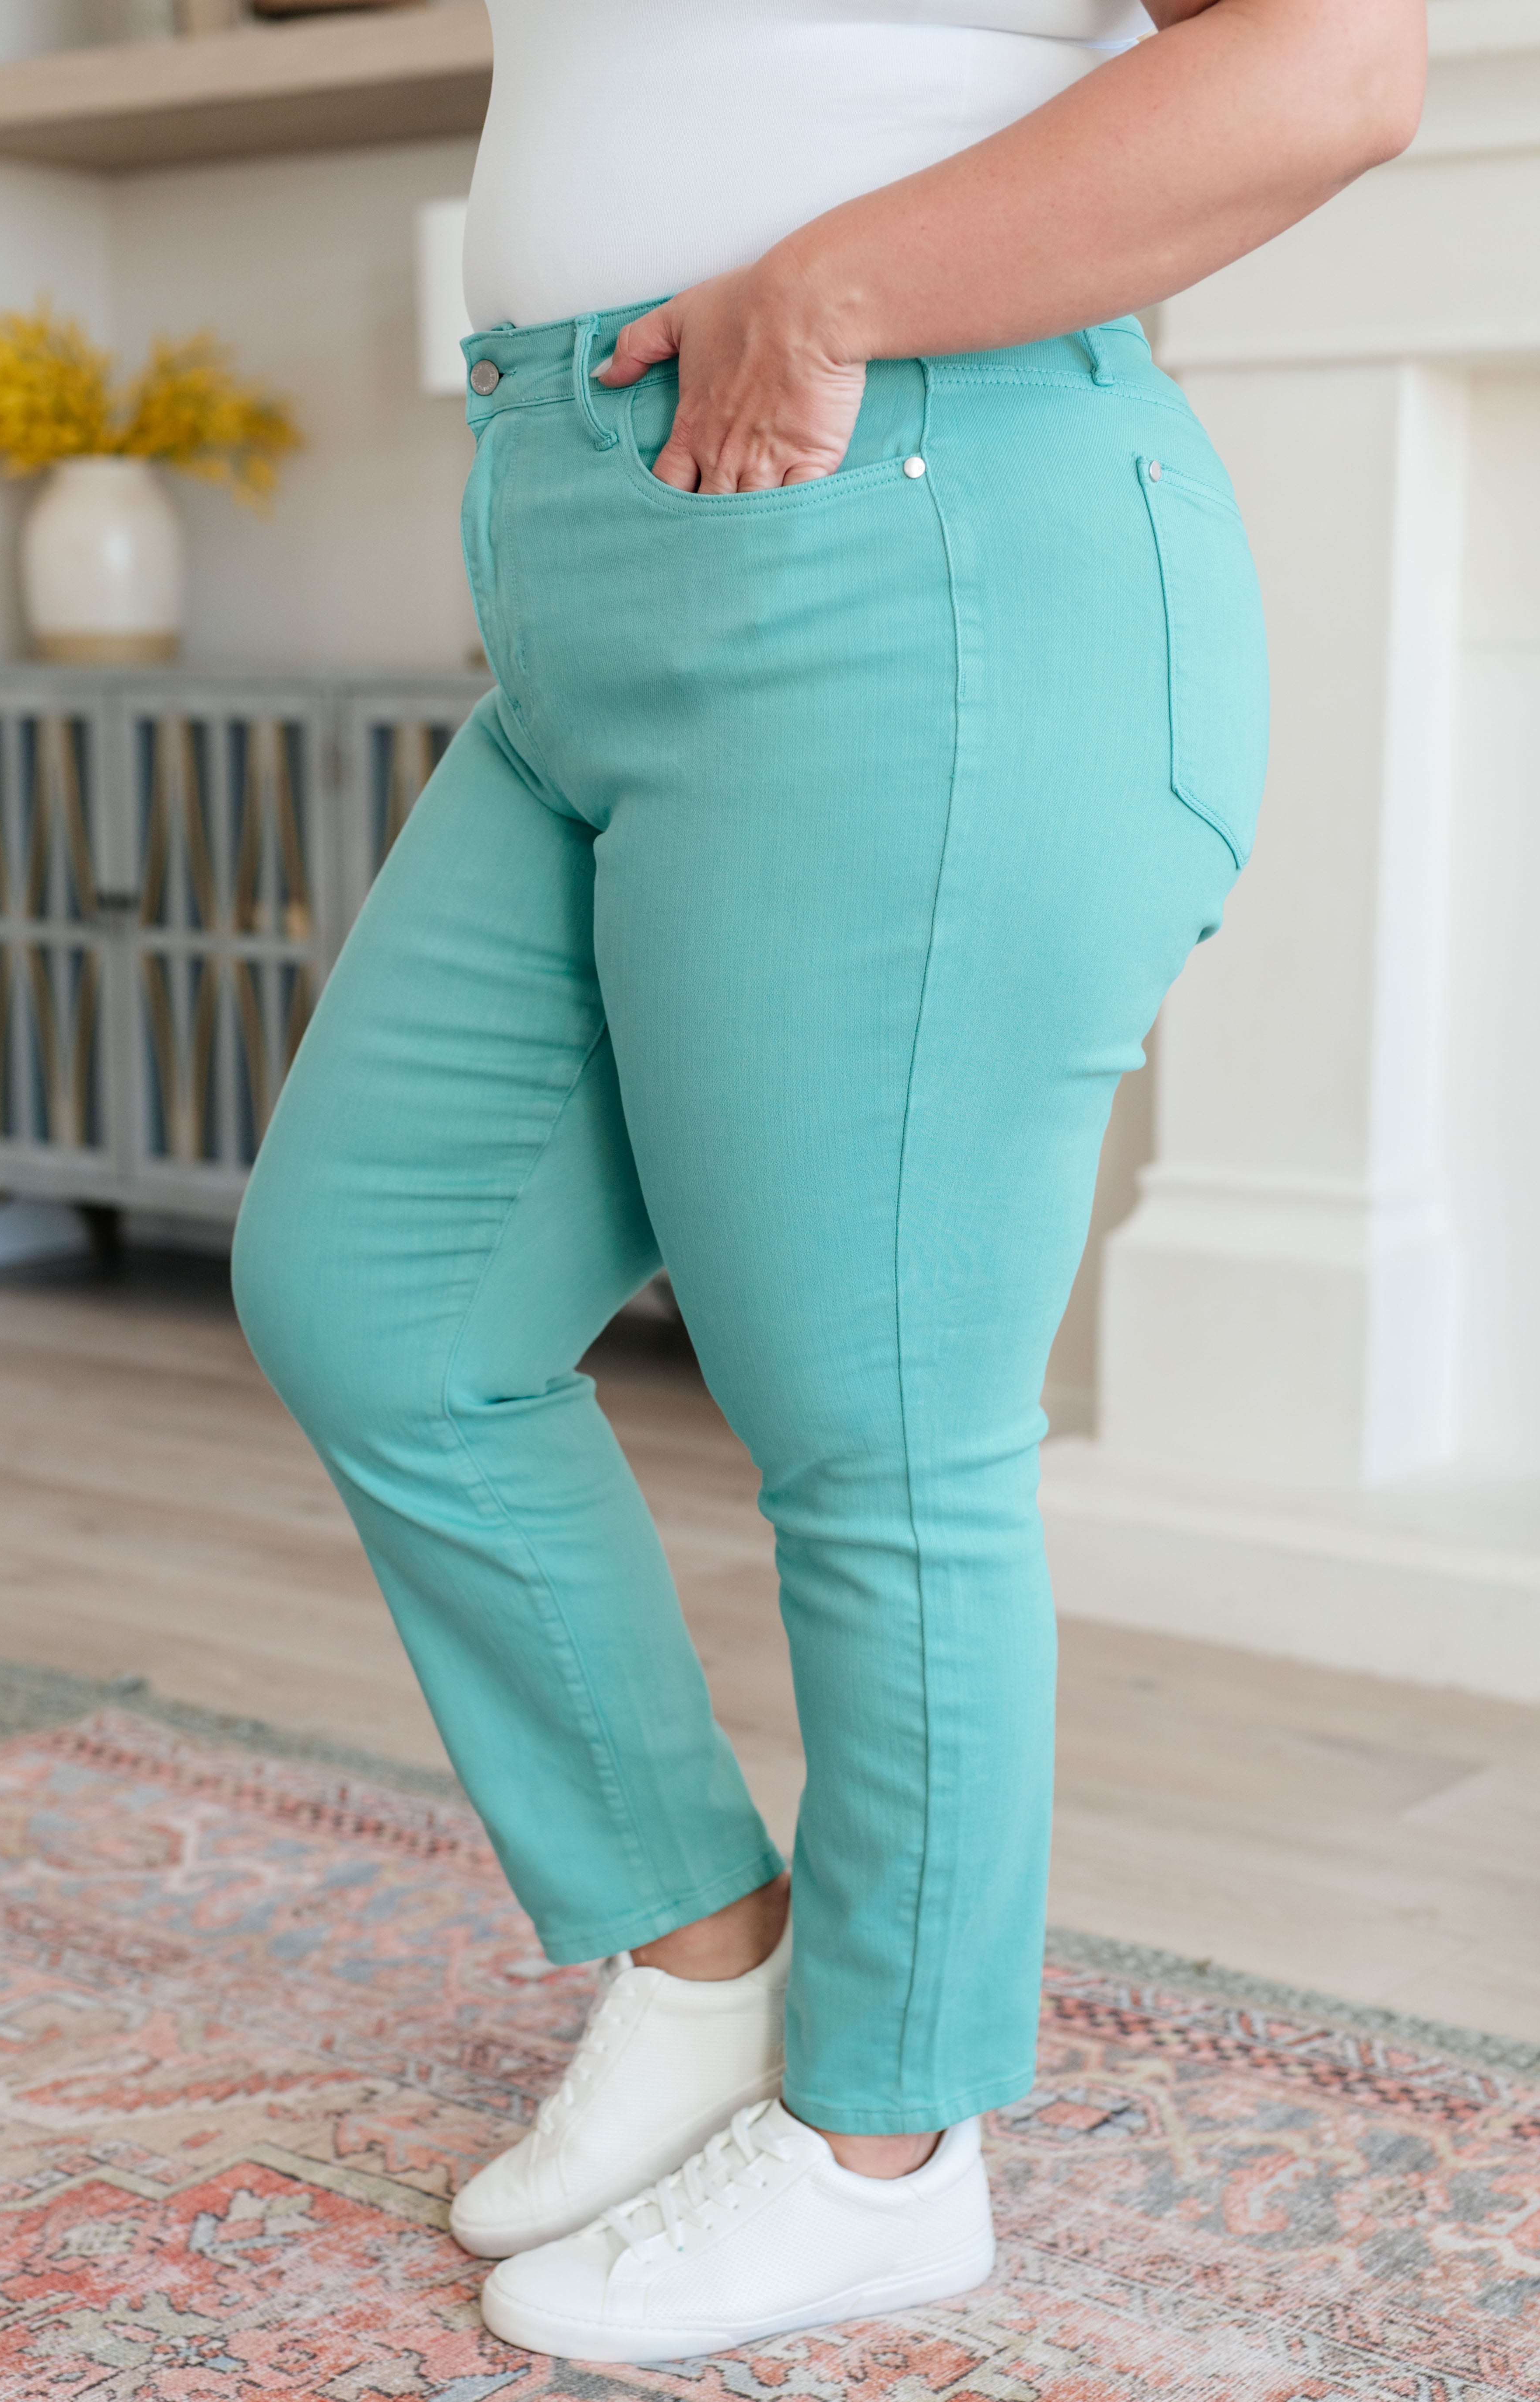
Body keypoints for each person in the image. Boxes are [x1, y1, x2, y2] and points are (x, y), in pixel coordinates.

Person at [231, 0, 1425, 2364]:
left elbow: (1336, 61)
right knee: (375, 1289)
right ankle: (708, 1965)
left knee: (876, 1422)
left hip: (919, 539)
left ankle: (889, 2146)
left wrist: (836, 284)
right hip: (603, 555)